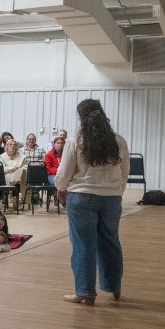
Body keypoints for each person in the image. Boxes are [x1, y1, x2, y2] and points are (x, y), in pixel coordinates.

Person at [56, 98, 129, 306]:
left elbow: (63, 174)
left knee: (83, 245)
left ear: (81, 118)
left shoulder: (75, 141)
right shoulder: (118, 140)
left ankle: (85, 292)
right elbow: (125, 172)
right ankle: (114, 286)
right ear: (103, 114)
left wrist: (61, 190)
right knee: (110, 242)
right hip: (112, 199)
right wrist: (117, 191)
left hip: (81, 198)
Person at [0, 138, 28, 205]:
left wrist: (18, 170)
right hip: (7, 176)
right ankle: (18, 199)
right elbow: (1, 169)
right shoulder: (2, 156)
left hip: (19, 177)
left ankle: (12, 194)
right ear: (6, 146)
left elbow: (26, 167)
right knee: (19, 174)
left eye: (14, 145)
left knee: (21, 171)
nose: (12, 146)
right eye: (10, 145)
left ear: (17, 147)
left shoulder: (22, 156)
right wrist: (13, 168)